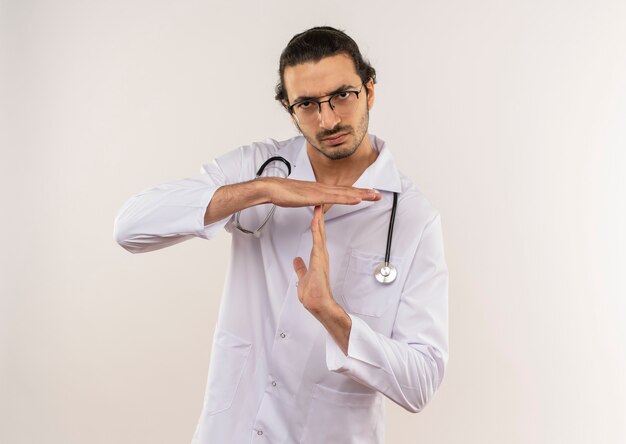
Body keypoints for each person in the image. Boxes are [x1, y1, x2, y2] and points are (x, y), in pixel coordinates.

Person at [114, 26, 448, 444]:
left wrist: (331, 315)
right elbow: (130, 227)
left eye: (342, 95)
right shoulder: (261, 167)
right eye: (307, 104)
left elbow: (421, 382)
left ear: (370, 91)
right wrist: (263, 190)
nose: (327, 119)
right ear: (289, 109)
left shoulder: (413, 218)